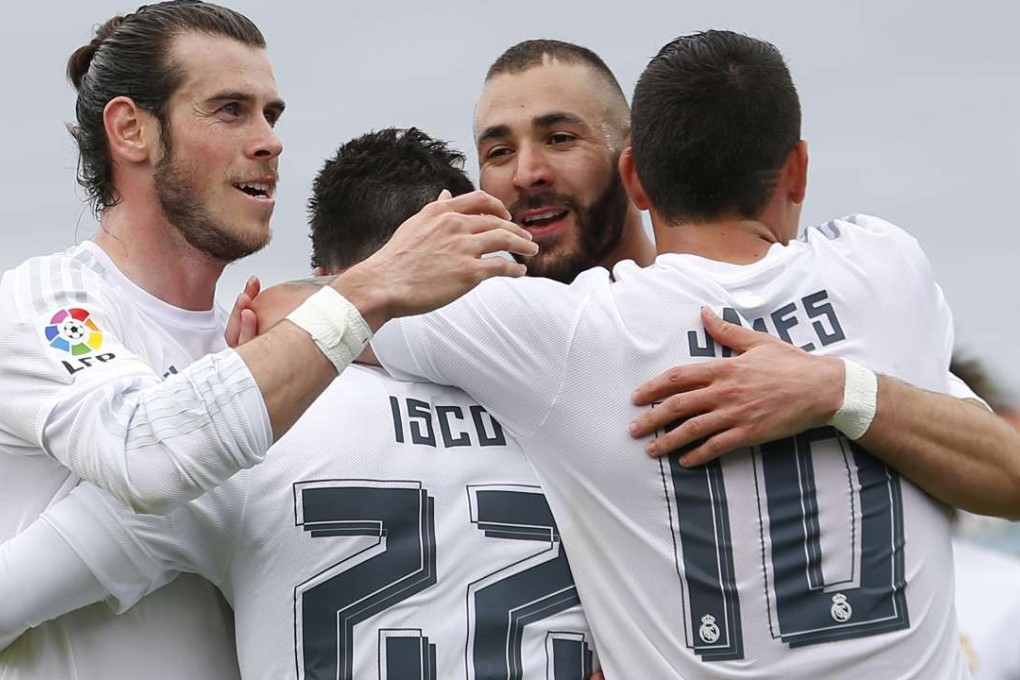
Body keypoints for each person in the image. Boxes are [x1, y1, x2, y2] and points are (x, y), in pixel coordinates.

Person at [364, 31, 1020, 676]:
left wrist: (834, 390)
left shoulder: (565, 334)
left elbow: (349, 306)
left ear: (633, 175)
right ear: (797, 169)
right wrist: (841, 389)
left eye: (560, 138)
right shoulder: (880, 269)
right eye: (499, 149)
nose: (529, 171)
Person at [0, 2, 535, 677]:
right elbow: (147, 452)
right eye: (230, 110)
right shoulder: (47, 301)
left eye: (271, 114)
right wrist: (365, 291)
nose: (270, 141)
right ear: (132, 129)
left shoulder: (252, 344)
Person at [472, 39, 656, 283]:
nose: (526, 175)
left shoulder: (712, 307)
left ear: (633, 158)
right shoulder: (458, 317)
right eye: (500, 152)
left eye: (559, 139)